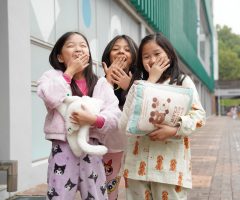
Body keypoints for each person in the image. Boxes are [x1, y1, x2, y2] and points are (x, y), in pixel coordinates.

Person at [120, 33, 206, 200]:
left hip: (169, 170)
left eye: (157, 54)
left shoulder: (182, 81)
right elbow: (123, 124)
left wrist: (174, 130)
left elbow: (199, 116)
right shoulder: (137, 86)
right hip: (137, 168)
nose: (152, 60)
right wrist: (151, 80)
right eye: (146, 56)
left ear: (170, 54)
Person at [37, 31, 121, 200]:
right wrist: (68, 73)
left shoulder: (100, 83)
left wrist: (93, 120)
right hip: (63, 147)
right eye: (70, 45)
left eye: (83, 45)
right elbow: (49, 96)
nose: (78, 49)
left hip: (92, 147)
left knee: (96, 195)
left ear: (89, 55)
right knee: (59, 195)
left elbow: (115, 115)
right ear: (60, 57)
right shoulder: (52, 77)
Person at [101, 35, 139, 200]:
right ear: (108, 55)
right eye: (116, 49)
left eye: (127, 49)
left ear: (134, 56)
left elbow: (144, 111)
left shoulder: (142, 81)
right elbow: (97, 108)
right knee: (109, 191)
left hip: (135, 148)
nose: (121, 52)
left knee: (137, 191)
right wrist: (108, 81)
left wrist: (129, 86)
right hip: (110, 146)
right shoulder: (100, 82)